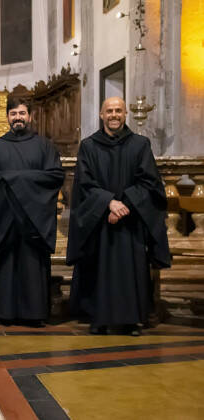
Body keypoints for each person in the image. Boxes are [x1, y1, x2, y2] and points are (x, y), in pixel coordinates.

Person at [67, 96, 171, 336]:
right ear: (102, 115)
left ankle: (132, 320)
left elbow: (149, 182)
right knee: (98, 268)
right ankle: (99, 318)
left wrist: (124, 205)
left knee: (131, 269)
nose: (114, 115)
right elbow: (84, 184)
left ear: (126, 114)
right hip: (99, 221)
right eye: (109, 111)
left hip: (131, 220)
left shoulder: (140, 144)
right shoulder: (89, 146)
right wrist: (108, 203)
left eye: (118, 111)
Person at [0, 97, 64, 326]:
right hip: (5, 218)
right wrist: (23, 186)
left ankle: (34, 314)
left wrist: (13, 181)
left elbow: (54, 176)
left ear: (30, 116)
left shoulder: (44, 146)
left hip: (34, 219)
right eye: (13, 114)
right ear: (7, 117)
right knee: (6, 267)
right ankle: (4, 313)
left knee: (33, 267)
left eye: (22, 113)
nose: (17, 118)